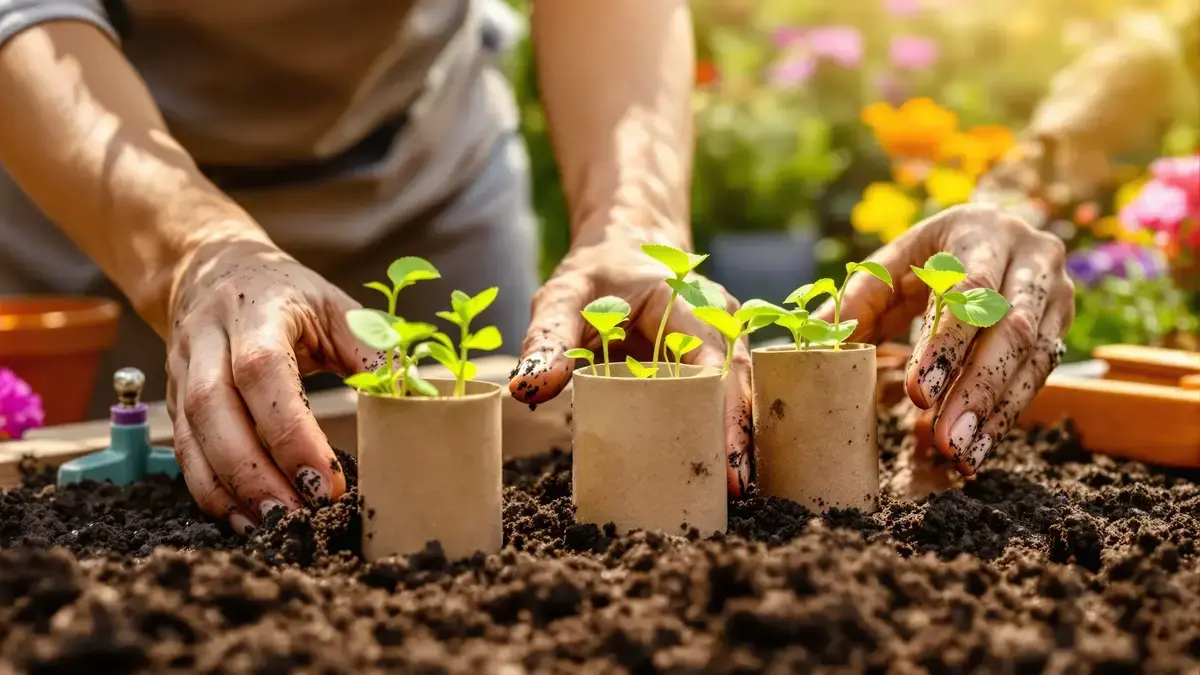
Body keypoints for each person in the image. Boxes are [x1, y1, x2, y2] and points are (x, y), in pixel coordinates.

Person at [0, 0, 1074, 535]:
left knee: (504, 402)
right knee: (151, 467)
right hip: (88, 185)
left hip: (422, 166)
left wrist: (630, 221)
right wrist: (193, 249)